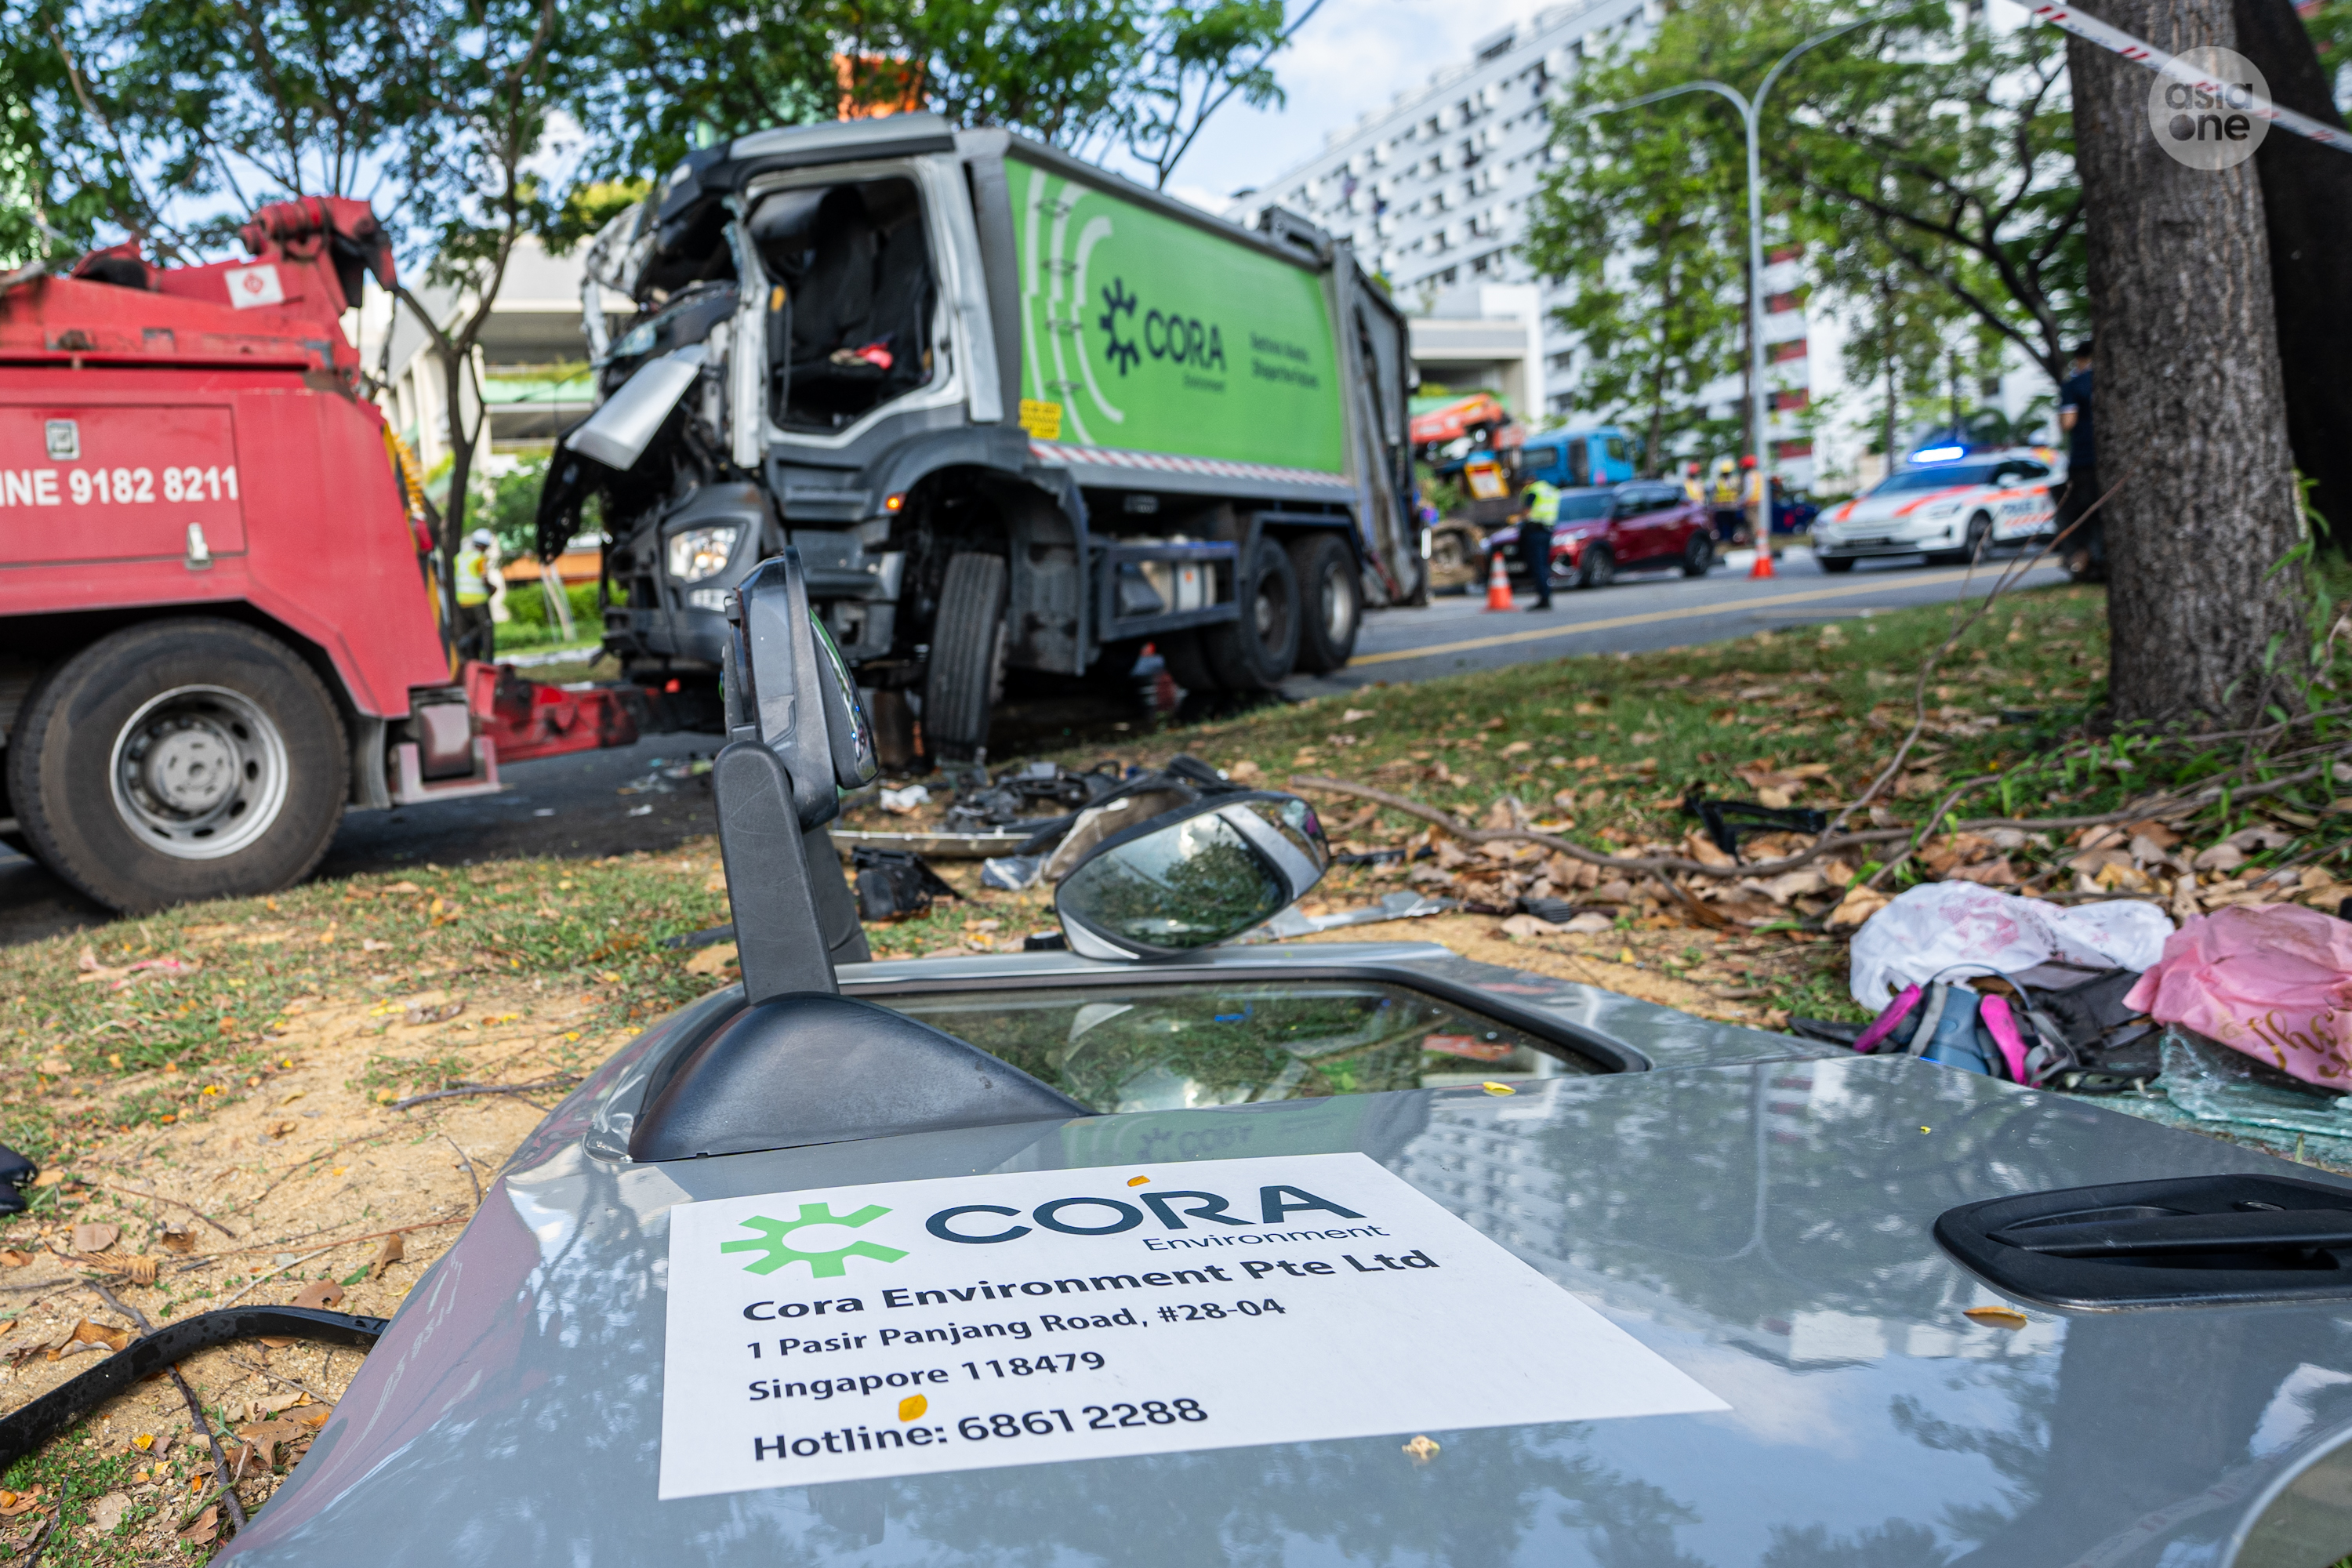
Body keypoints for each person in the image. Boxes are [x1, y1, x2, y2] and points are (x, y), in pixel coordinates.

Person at [2056, 342, 2102, 582]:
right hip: (2109, 457)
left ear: (2080, 360)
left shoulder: (2074, 385)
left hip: (2084, 459)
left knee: (2082, 514)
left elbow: (2067, 423)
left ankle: (2082, 561)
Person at [454, 528, 496, 661]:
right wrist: (491, 588)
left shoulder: (460, 557)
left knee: (474, 628)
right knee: (487, 628)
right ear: (483, 545)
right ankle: (488, 661)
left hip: (462, 601)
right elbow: (484, 579)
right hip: (477, 600)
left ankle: (473, 659)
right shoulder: (479, 558)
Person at [1520, 477, 1560, 611]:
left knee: (1537, 566)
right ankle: (1546, 596)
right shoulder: (1550, 489)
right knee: (1543, 565)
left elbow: (1527, 512)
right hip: (1547, 530)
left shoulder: (1533, 491)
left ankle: (1544, 598)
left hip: (1535, 531)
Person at [1709, 458, 1744, 544]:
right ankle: (1723, 539)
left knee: (1733, 523)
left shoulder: (1734, 480)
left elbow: (1739, 491)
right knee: (1721, 524)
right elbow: (1714, 493)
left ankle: (1733, 539)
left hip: (1732, 506)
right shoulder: (1718, 482)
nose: (1726, 474)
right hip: (1721, 507)